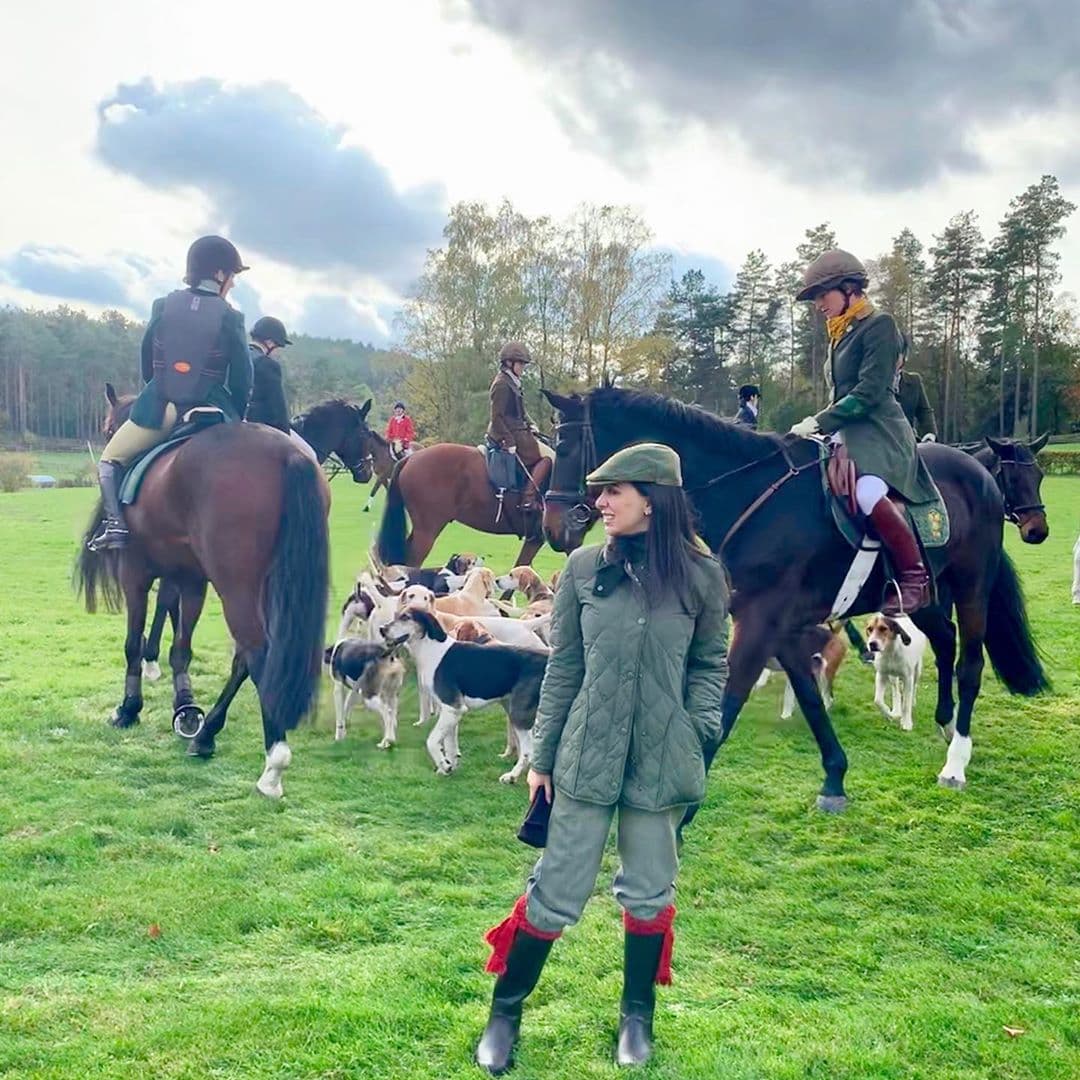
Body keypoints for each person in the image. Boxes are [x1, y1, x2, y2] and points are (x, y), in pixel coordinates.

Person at [474, 443, 729, 1073]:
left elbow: (709, 665)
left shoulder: (703, 577)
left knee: (648, 892)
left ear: (653, 499)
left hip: (662, 758)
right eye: (601, 492)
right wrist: (545, 754)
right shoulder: (585, 569)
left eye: (615, 491)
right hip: (585, 753)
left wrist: (697, 730)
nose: (601, 502)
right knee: (556, 888)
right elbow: (564, 667)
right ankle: (505, 1011)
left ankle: (636, 1016)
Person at [789, 249, 935, 616]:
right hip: (846, 435)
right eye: (815, 298)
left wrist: (821, 421)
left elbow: (869, 393)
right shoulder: (840, 332)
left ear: (850, 289)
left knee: (867, 491)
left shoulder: (880, 325)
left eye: (823, 294)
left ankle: (915, 578)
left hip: (881, 433)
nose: (819, 304)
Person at [88, 236, 251, 551]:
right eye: (232, 276)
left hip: (163, 408)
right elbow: (244, 375)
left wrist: (158, 392)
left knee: (109, 460)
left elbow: (148, 359)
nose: (232, 284)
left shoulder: (162, 306)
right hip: (214, 412)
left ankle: (116, 527)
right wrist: (237, 415)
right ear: (219, 275)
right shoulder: (231, 317)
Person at [486, 341, 554, 524]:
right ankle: (528, 498)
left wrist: (532, 424)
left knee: (550, 447)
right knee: (549, 459)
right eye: (521, 364)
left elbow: (522, 412)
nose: (523, 368)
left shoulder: (513, 381)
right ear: (509, 363)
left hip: (521, 431)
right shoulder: (501, 384)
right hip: (509, 434)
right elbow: (496, 417)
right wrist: (509, 442)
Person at [245, 316, 317, 463]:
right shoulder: (267, 364)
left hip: (232, 420)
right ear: (269, 343)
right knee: (309, 454)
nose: (278, 352)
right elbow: (277, 407)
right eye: (279, 347)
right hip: (260, 425)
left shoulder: (239, 355)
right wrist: (285, 434)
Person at [894, 332, 938, 442]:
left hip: (908, 443)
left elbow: (924, 412)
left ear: (904, 356)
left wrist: (930, 434)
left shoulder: (914, 381)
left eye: (896, 354)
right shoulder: (870, 383)